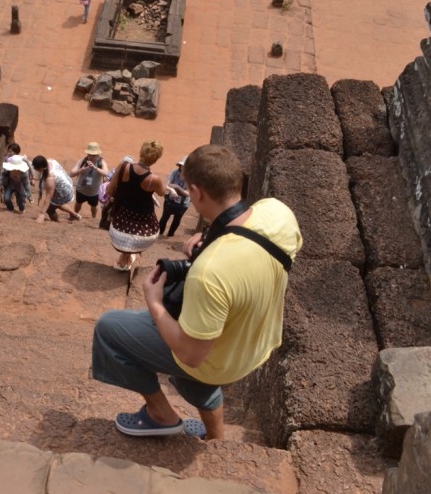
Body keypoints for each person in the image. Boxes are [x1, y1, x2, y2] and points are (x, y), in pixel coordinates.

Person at [91, 144, 302, 439]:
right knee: (195, 361)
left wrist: (154, 303)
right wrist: (216, 238)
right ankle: (216, 438)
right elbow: (251, 240)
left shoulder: (210, 273)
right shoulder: (278, 212)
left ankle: (160, 414)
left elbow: (190, 354)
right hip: (256, 342)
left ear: (197, 192)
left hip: (215, 359)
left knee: (109, 329)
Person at [105, 140, 171, 273]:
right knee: (148, 231)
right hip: (143, 224)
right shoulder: (154, 179)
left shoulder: (124, 166)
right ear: (156, 159)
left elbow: (109, 191)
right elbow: (162, 192)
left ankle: (124, 257)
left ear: (141, 152)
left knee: (128, 234)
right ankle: (127, 256)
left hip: (121, 221)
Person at [32, 155, 81, 223]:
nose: (34, 169)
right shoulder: (49, 160)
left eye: (36, 168)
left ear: (41, 168)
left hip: (64, 192)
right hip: (68, 183)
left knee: (50, 208)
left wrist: (42, 213)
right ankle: (74, 214)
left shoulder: (50, 178)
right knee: (56, 203)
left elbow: (49, 196)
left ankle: (57, 222)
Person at [70, 142, 107, 218]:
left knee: (94, 206)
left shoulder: (101, 163)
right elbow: (71, 174)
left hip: (94, 192)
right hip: (81, 190)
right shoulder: (82, 161)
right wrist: (81, 170)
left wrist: (95, 168)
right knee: (78, 203)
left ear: (97, 155)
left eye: (94, 155)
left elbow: (106, 173)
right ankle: (74, 215)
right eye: (90, 155)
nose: (91, 157)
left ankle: (93, 218)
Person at [159, 156, 190, 236]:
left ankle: (170, 234)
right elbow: (166, 185)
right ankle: (160, 233)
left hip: (183, 204)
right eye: (184, 166)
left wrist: (177, 187)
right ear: (181, 166)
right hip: (170, 200)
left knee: (177, 219)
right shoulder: (174, 173)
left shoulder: (191, 178)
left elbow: (188, 193)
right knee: (164, 217)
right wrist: (172, 190)